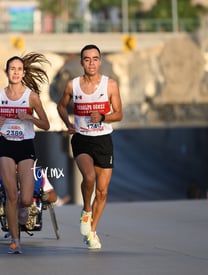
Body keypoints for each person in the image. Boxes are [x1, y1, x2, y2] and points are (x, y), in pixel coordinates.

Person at [0, 53, 50, 254]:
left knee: (25, 198)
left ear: (23, 72)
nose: (16, 72)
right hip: (6, 146)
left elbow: (46, 125)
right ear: (6, 72)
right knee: (11, 195)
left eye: (19, 69)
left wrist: (30, 117)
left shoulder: (32, 97)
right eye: (12, 69)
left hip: (26, 146)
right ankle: (15, 240)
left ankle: (24, 209)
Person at [57, 44, 123, 250]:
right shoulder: (73, 85)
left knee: (102, 192)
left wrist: (103, 116)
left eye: (95, 59)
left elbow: (119, 114)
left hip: (103, 140)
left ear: (100, 61)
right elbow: (60, 106)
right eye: (87, 59)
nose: (91, 63)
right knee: (89, 178)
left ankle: (92, 231)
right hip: (82, 139)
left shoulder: (110, 85)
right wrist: (68, 124)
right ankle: (86, 210)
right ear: (82, 62)